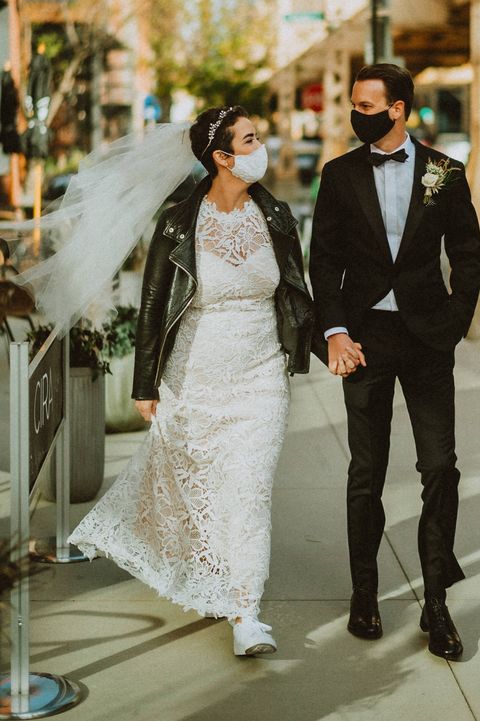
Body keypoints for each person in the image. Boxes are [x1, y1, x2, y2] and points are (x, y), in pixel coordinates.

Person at [69, 106, 316, 657]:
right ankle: (210, 571)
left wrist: (331, 344)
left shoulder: (276, 214)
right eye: (251, 140)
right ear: (222, 157)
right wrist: (145, 383)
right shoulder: (180, 221)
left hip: (261, 377)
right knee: (203, 487)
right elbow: (154, 304)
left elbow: (298, 296)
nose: (263, 147)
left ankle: (246, 612)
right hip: (195, 373)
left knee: (248, 489)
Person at [309, 64, 480, 660]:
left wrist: (456, 320)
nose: (358, 114)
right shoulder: (338, 175)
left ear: (400, 109)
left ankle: (437, 603)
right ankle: (366, 594)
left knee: (440, 467)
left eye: (369, 105)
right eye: (354, 104)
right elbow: (323, 262)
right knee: (368, 471)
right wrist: (333, 331)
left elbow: (468, 253)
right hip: (363, 339)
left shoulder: (445, 172)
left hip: (429, 337)